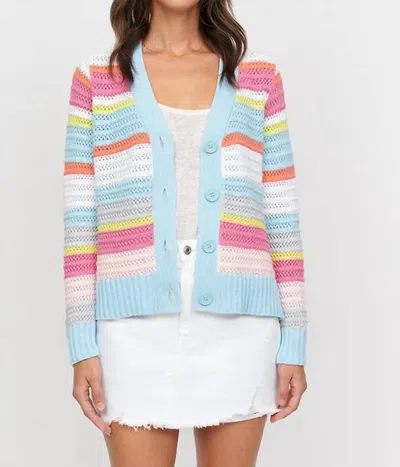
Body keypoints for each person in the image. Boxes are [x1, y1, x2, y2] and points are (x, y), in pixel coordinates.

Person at [63, 0, 308, 465]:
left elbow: (281, 216)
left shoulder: (259, 80)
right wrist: (82, 344)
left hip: (239, 324)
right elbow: (81, 223)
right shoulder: (97, 80)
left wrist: (293, 339)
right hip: (132, 326)